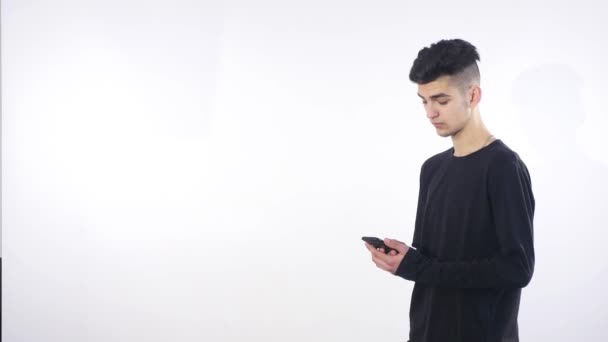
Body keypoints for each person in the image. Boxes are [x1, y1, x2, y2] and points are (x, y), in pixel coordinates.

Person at [364, 39, 535, 342]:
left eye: (441, 101)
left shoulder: (504, 167)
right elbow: (432, 263)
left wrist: (420, 267)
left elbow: (518, 268)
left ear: (473, 94)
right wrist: (405, 260)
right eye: (424, 101)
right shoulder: (432, 169)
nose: (430, 112)